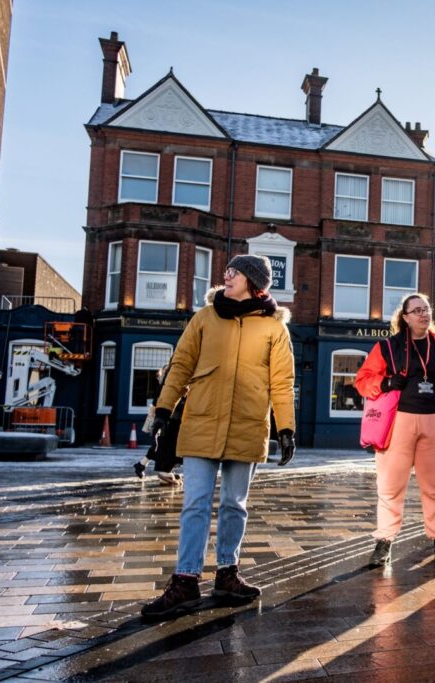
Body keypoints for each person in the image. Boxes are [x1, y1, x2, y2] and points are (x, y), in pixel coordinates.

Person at [141, 255, 296, 620]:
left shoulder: (275, 328)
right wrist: (163, 409)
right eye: (226, 271)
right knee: (194, 503)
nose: (225, 276)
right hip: (201, 422)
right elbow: (181, 364)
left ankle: (228, 574)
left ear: (253, 281)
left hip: (247, 424)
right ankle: (185, 581)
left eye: (234, 272)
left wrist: (285, 428)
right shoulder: (204, 318)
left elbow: (282, 383)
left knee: (234, 505)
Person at [354, 294, 435, 569]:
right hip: (399, 422)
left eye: (426, 309)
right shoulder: (387, 347)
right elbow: (362, 381)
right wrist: (386, 382)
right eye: (416, 310)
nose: (423, 314)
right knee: (390, 488)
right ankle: (384, 541)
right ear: (405, 317)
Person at [135, 364, 182, 485]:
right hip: (166, 419)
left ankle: (142, 465)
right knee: (161, 446)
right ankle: (161, 471)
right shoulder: (166, 387)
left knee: (158, 446)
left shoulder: (164, 385)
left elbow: (156, 402)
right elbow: (158, 401)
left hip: (163, 418)